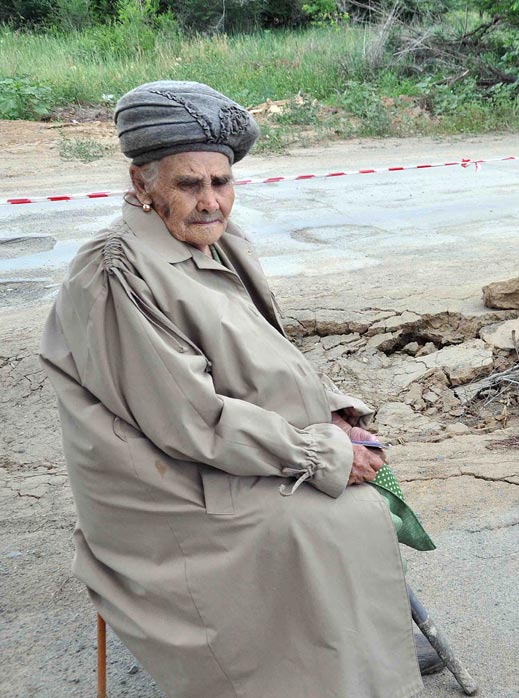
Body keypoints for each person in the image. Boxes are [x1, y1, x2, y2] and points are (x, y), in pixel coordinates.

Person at [39, 81, 437, 698]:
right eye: (187, 185)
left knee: (353, 502)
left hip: (211, 447)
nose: (209, 202)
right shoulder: (115, 272)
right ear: (141, 185)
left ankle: (357, 642)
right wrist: (321, 453)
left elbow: (268, 357)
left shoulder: (221, 241)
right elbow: (189, 420)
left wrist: (332, 418)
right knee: (330, 518)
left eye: (220, 183)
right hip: (158, 484)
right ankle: (320, 666)